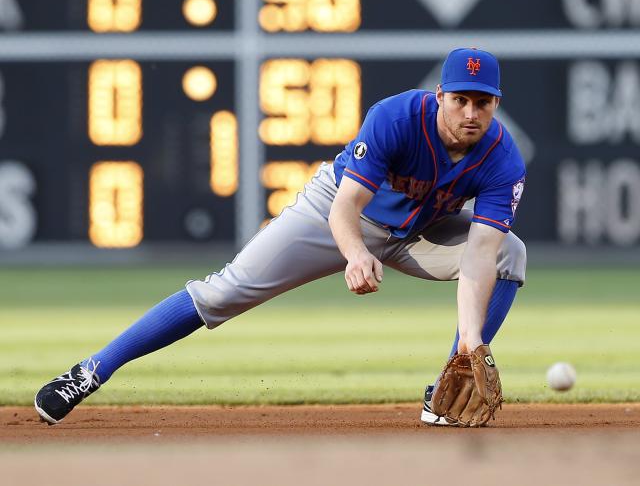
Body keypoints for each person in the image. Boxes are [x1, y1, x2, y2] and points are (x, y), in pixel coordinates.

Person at [35, 48, 526, 426]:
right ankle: (91, 370)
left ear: (495, 104)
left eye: (481, 102)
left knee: (510, 252)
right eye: (459, 99)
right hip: (334, 215)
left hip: (419, 232)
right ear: (439, 95)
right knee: (223, 291)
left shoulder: (503, 161)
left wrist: (471, 342)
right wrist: (354, 254)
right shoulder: (396, 118)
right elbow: (345, 206)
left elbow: (482, 254)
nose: (469, 112)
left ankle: (443, 388)